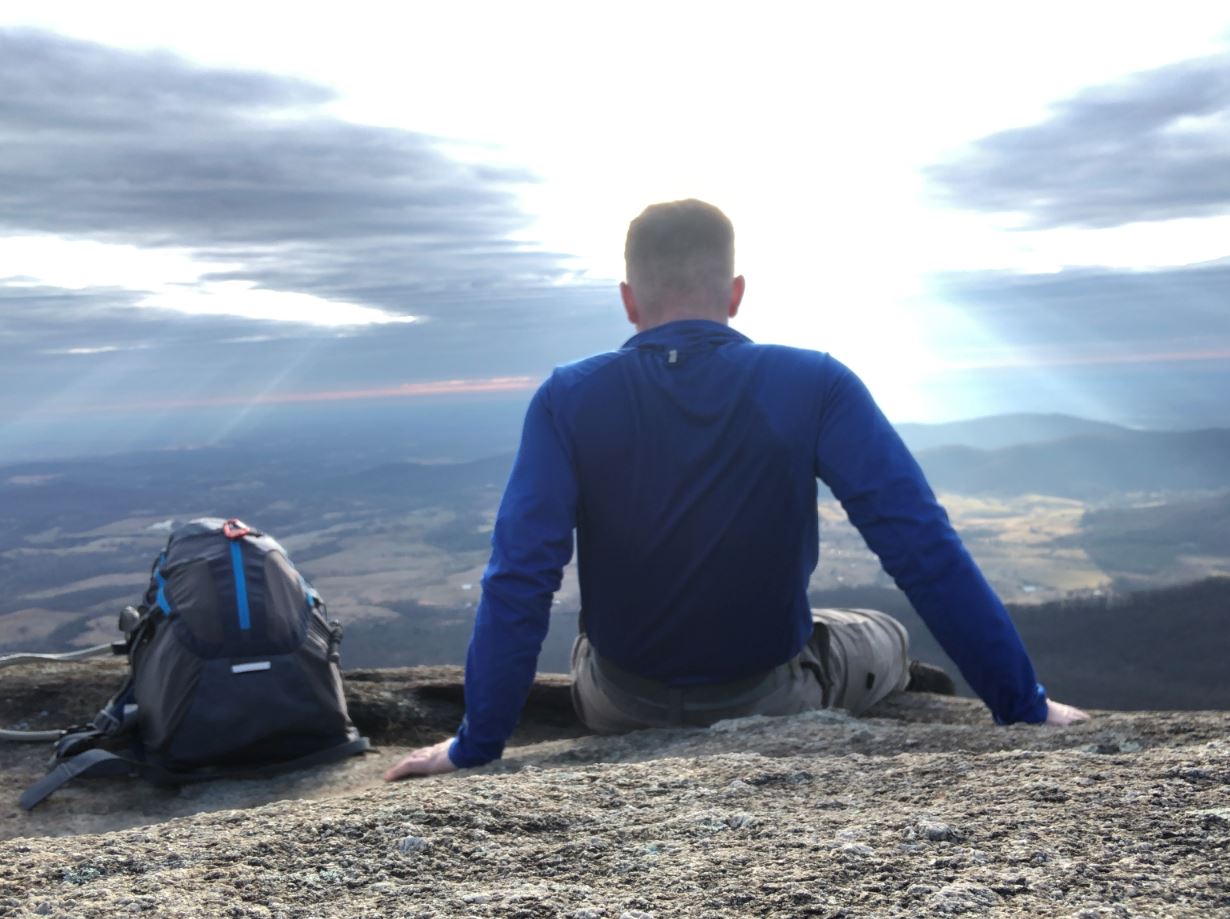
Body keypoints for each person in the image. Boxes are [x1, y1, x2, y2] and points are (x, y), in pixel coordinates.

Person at [385, 199, 1088, 780]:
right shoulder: (816, 383)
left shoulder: (566, 397)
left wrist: (475, 745)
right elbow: (920, 545)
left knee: (585, 647)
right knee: (887, 634)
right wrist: (1022, 705)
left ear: (628, 301)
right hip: (770, 697)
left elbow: (518, 577)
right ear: (737, 293)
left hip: (617, 701)